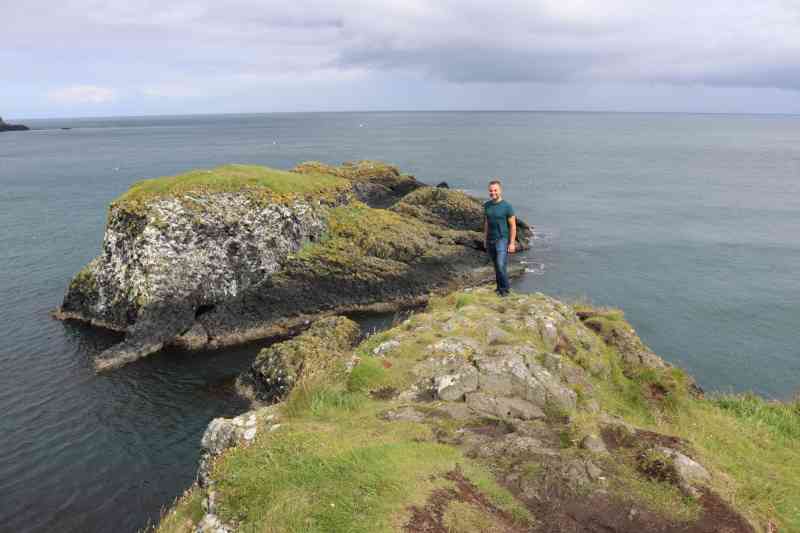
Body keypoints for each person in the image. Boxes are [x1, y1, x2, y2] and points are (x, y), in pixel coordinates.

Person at [483, 180, 516, 296]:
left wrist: (512, 243)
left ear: (500, 191)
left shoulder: (507, 206)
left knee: (501, 265)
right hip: (490, 240)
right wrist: (484, 239)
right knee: (497, 266)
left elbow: (513, 226)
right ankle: (499, 288)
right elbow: (486, 223)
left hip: (502, 239)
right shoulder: (487, 205)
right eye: (491, 191)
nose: (493, 192)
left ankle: (505, 290)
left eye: (495, 190)